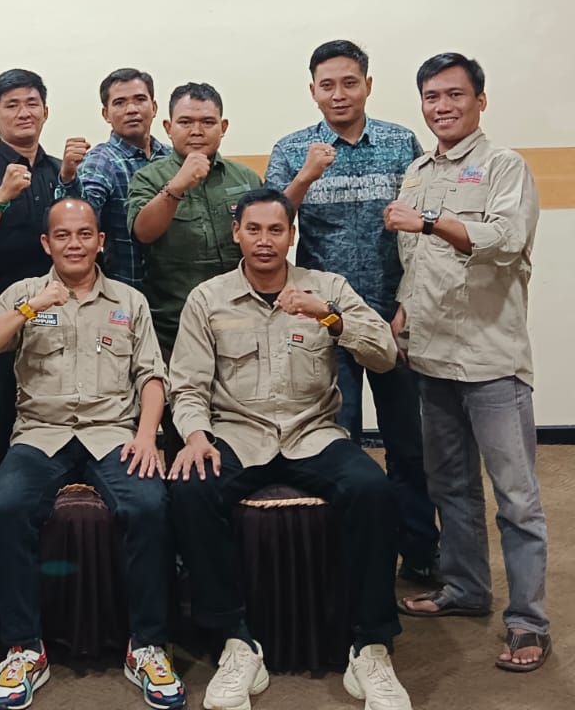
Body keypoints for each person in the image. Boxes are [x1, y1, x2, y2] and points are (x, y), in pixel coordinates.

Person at [167, 189, 412, 710]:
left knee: (373, 491)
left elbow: (385, 354)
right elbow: (186, 385)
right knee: (189, 489)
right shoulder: (208, 299)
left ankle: (370, 645)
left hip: (313, 433)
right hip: (237, 433)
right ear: (237, 233)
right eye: (253, 229)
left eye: (275, 230)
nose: (264, 241)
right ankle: (236, 639)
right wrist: (195, 435)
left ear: (291, 235)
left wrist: (330, 317)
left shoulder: (327, 288)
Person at [0, 199, 184, 710]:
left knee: (150, 506)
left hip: (113, 433)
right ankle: (24, 647)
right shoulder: (24, 293)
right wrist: (30, 308)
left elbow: (152, 376)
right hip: (40, 432)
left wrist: (147, 436)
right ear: (46, 243)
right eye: (63, 235)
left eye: (84, 234)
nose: (74, 244)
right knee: (9, 508)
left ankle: (147, 644)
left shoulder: (129, 301)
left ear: (100, 241)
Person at [385, 53, 549, 675]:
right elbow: (415, 262)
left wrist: (429, 221)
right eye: (432, 96)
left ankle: (528, 621)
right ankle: (465, 587)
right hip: (432, 357)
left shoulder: (505, 166)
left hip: (491, 360)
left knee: (516, 498)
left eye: (455, 94)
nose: (442, 106)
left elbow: (506, 242)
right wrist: (403, 313)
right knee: (449, 485)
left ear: (481, 100)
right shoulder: (417, 170)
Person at [265, 40, 440, 583]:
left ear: (367, 85)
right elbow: (269, 224)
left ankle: (419, 552)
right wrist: (305, 176)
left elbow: (420, 231)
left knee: (407, 445)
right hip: (322, 320)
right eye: (327, 85)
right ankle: (342, 557)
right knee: (335, 443)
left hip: (392, 317)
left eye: (349, 82)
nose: (338, 94)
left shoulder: (399, 143)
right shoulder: (293, 148)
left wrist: (408, 303)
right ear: (312, 91)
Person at [0, 68, 87, 466]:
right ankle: (11, 491)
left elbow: (84, 235)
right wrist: (1, 197)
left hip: (65, 310)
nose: (24, 112)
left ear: (46, 111)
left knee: (67, 404)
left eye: (32, 103)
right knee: (11, 417)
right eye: (11, 105)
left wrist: (69, 179)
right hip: (6, 315)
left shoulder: (61, 170)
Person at [127, 82, 262, 355]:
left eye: (208, 122)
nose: (197, 131)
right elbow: (143, 232)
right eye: (186, 122)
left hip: (241, 321)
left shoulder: (246, 178)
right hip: (171, 327)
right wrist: (177, 185)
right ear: (168, 127)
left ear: (223, 127)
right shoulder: (147, 178)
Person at [71, 68, 170, 291]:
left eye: (140, 100)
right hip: (127, 293)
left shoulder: (172, 157)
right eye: (120, 103)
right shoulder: (101, 160)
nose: (131, 109)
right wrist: (69, 178)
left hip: (178, 292)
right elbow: (83, 212)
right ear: (106, 114)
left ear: (154, 107)